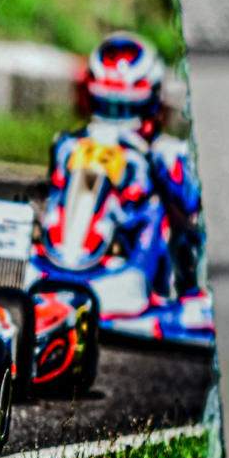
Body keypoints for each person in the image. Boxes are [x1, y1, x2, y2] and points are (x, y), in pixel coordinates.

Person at [50, 31, 202, 295]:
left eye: (125, 106)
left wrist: (153, 171)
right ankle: (65, 259)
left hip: (141, 268)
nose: (116, 118)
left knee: (155, 206)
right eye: (108, 104)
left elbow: (192, 206)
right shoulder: (69, 146)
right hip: (87, 254)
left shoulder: (166, 152)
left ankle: (156, 286)